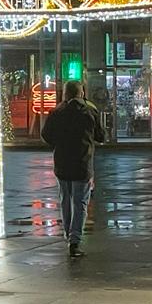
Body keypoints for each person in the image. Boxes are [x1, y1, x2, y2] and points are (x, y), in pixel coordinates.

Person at [41, 80, 105, 257]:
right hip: (82, 164)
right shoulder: (90, 111)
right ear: (81, 93)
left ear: (65, 95)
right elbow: (101, 135)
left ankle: (68, 234)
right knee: (80, 203)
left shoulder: (56, 112)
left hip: (62, 163)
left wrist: (59, 143)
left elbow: (46, 135)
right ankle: (74, 241)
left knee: (65, 200)